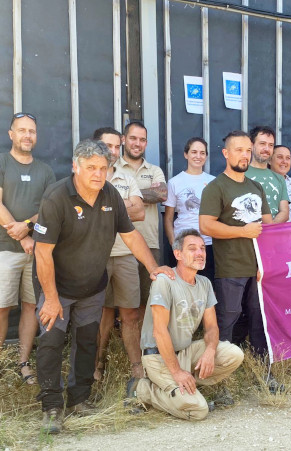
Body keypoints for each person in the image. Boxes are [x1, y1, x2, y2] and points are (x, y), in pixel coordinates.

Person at [32, 139, 173, 434]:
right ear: (75, 167)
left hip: (93, 287)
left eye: (103, 168)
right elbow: (42, 252)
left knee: (87, 342)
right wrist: (52, 299)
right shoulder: (57, 197)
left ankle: (79, 400)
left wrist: (153, 267)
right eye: (91, 168)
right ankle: (52, 407)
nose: (98, 174)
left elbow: (131, 235)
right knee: (51, 343)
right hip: (56, 287)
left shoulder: (110, 193)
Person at [126, 229, 245, 420]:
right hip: (158, 356)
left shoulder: (204, 283)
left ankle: (181, 387)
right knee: (198, 410)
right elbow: (159, 332)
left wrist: (210, 351)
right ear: (178, 254)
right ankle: (144, 390)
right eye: (192, 249)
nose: (199, 253)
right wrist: (177, 371)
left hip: (185, 353)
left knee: (234, 354)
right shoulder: (164, 281)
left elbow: (212, 327)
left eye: (202, 248)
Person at [199, 130, 279, 390]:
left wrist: (266, 263)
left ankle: (263, 374)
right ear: (226, 153)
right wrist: (242, 231)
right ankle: (220, 381)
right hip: (230, 268)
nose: (245, 155)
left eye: (248, 150)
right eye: (239, 150)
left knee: (260, 322)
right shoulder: (216, 187)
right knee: (227, 321)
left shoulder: (255, 186)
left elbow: (268, 227)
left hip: (257, 269)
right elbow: (206, 226)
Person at [0, 112, 56, 386]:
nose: (27, 135)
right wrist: (21, 234)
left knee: (31, 306)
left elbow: (48, 210)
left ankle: (23, 363)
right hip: (5, 250)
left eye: (32, 131)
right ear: (11, 134)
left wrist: (27, 228)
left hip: (36, 251)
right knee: (0, 307)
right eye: (22, 130)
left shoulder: (45, 171)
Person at [91, 127, 146, 383]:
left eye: (116, 146)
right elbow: (90, 208)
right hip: (97, 256)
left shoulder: (126, 176)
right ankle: (96, 367)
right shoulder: (88, 175)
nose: (112, 151)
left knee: (130, 314)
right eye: (107, 146)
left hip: (125, 253)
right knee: (101, 315)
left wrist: (107, 205)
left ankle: (137, 370)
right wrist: (122, 205)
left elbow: (140, 212)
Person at [113, 121, 168, 308]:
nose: (137, 143)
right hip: (118, 245)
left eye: (142, 140)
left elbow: (161, 194)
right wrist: (144, 194)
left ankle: (142, 338)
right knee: (111, 306)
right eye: (133, 138)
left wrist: (128, 195)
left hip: (149, 243)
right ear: (123, 139)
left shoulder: (154, 170)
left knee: (147, 300)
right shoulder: (113, 169)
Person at [164, 137, 216, 281]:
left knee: (206, 286)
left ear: (206, 156)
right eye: (194, 152)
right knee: (182, 285)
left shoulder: (214, 182)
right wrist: (174, 243)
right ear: (186, 154)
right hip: (183, 244)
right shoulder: (175, 182)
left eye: (202, 153)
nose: (198, 156)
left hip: (208, 244)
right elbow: (168, 218)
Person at [244, 126, 290, 223]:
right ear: (251, 146)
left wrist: (269, 229)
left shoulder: (279, 178)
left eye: (271, 145)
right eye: (262, 144)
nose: (267, 149)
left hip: (272, 236)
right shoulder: (240, 174)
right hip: (246, 235)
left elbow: (285, 212)